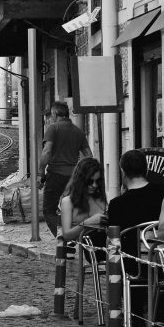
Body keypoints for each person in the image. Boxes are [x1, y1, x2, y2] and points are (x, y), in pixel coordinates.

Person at [107, 149, 164, 274]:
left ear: (123, 171)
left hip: (133, 267)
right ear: (146, 170)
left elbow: (114, 240)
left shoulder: (117, 204)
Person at [39, 101, 92, 236]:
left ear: (56, 113)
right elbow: (89, 155)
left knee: (49, 210)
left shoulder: (53, 128)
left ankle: (63, 237)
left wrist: (40, 172)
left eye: (52, 115)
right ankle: (73, 236)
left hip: (56, 175)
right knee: (72, 209)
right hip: (74, 177)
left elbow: (46, 152)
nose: (51, 118)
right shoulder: (78, 132)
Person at [58, 158, 107, 250]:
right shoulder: (68, 201)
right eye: (90, 181)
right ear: (81, 180)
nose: (94, 185)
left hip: (103, 247)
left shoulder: (100, 199)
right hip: (83, 250)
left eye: (97, 181)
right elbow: (66, 235)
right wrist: (87, 223)